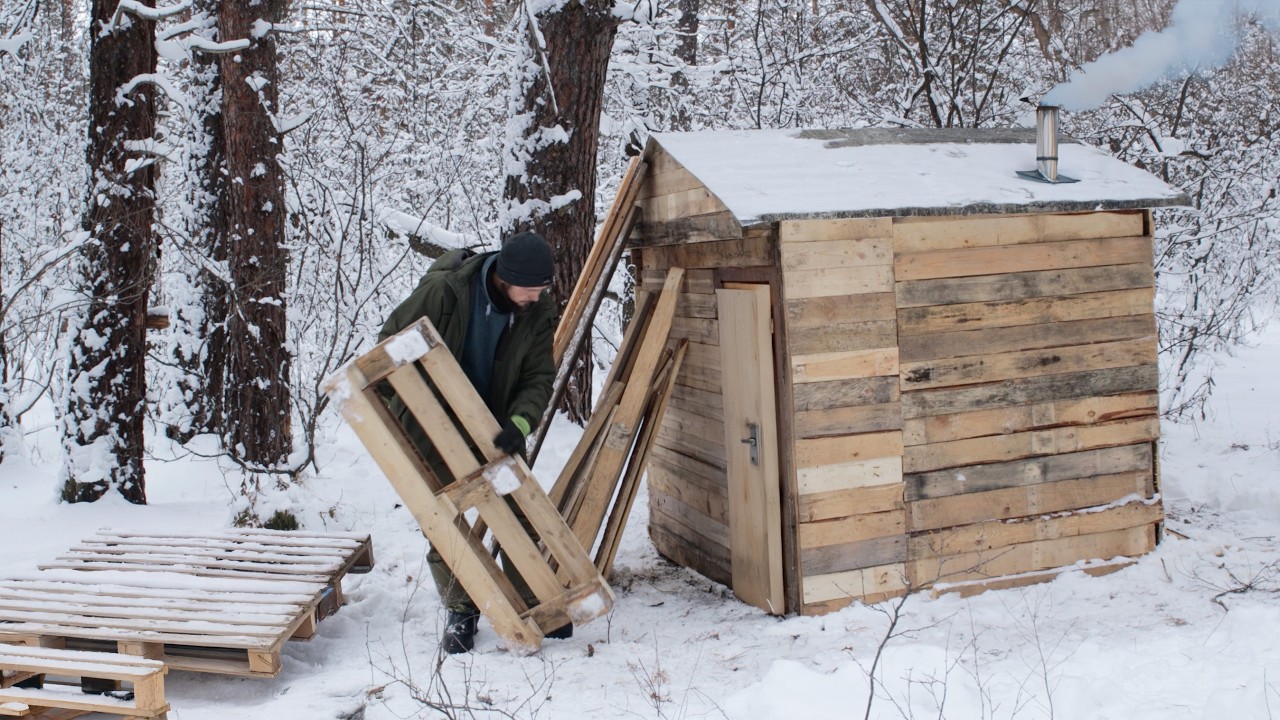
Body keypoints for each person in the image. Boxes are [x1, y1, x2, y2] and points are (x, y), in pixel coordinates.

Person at [378, 230, 570, 654]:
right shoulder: (446, 292)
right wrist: (414, 412)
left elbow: (539, 375)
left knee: (518, 508)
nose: (536, 297)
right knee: (445, 519)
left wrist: (520, 423)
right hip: (433, 421)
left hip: (494, 423)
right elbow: (389, 348)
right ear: (504, 276)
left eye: (542, 289)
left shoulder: (538, 309)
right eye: (530, 289)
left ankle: (534, 600)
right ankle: (463, 612)